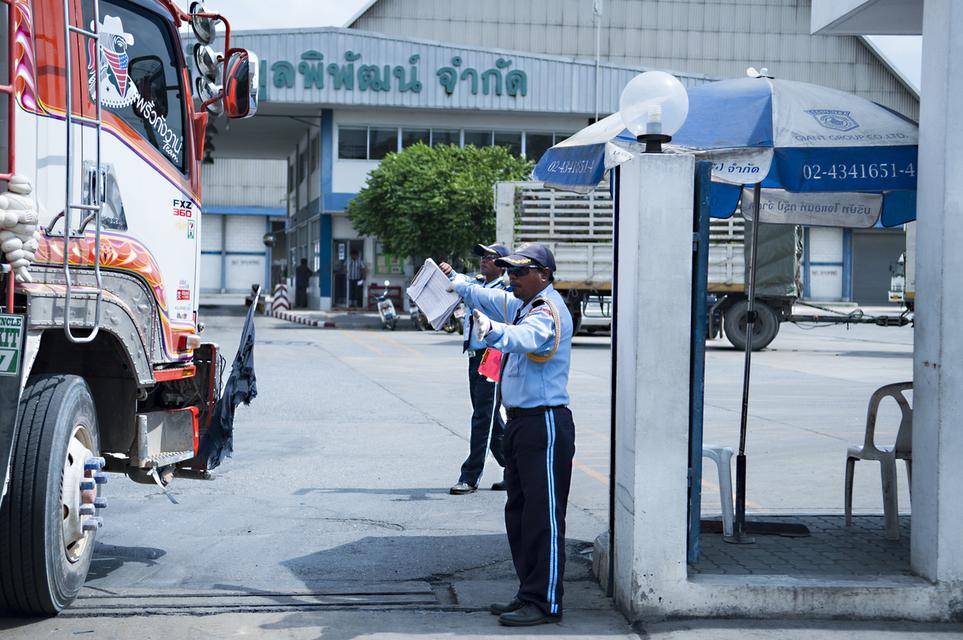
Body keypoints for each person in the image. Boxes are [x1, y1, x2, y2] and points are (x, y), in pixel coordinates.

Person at [440, 243, 574, 627]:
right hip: (519, 423)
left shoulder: (546, 312)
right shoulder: (521, 303)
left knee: (543, 517)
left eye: (519, 273)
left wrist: (491, 331)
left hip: (543, 423)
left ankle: (546, 602)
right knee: (518, 514)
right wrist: (456, 284)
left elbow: (525, 339)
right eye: (510, 272)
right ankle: (528, 592)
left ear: (543, 276)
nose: (511, 278)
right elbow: (486, 295)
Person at [450, 243, 511, 496]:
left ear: (503, 265)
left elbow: (467, 288)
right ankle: (515, 467)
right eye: (483, 257)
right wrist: (448, 272)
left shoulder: (504, 291)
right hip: (475, 356)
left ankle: (470, 476)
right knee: (489, 416)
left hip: (493, 355)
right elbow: (460, 281)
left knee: (483, 416)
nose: (484, 261)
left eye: (490, 257)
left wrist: (458, 280)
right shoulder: (478, 284)